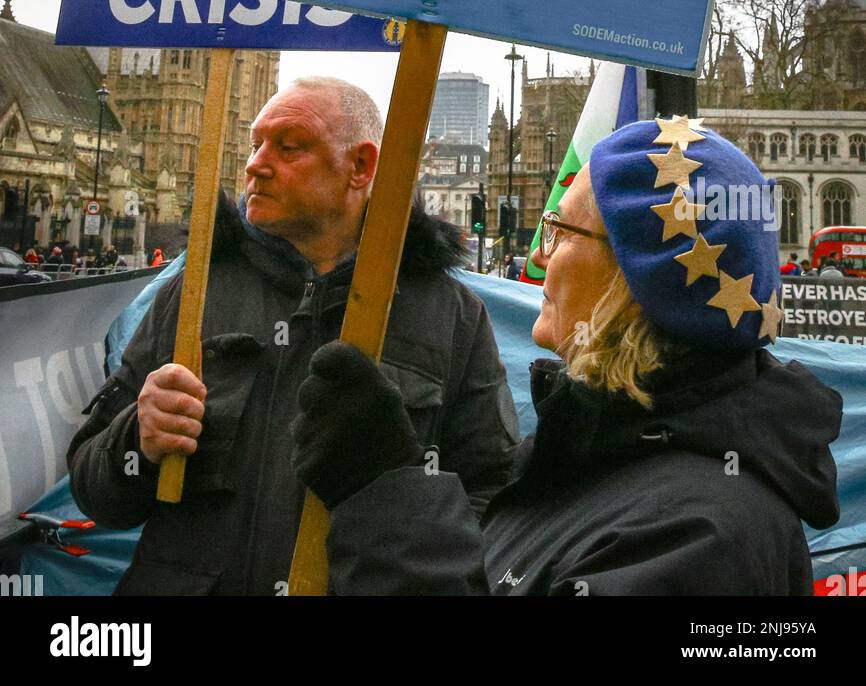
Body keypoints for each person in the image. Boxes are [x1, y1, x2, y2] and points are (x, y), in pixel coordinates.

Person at [292, 117, 843, 596]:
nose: (535, 255)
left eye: (558, 231)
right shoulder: (589, 460)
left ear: (629, 282)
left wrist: (386, 501)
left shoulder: (700, 537)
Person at [67, 77, 518, 596]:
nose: (256, 163)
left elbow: (494, 503)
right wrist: (137, 441)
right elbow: (91, 488)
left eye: (289, 146)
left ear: (361, 167)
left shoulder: (451, 316)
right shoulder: (193, 294)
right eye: (257, 143)